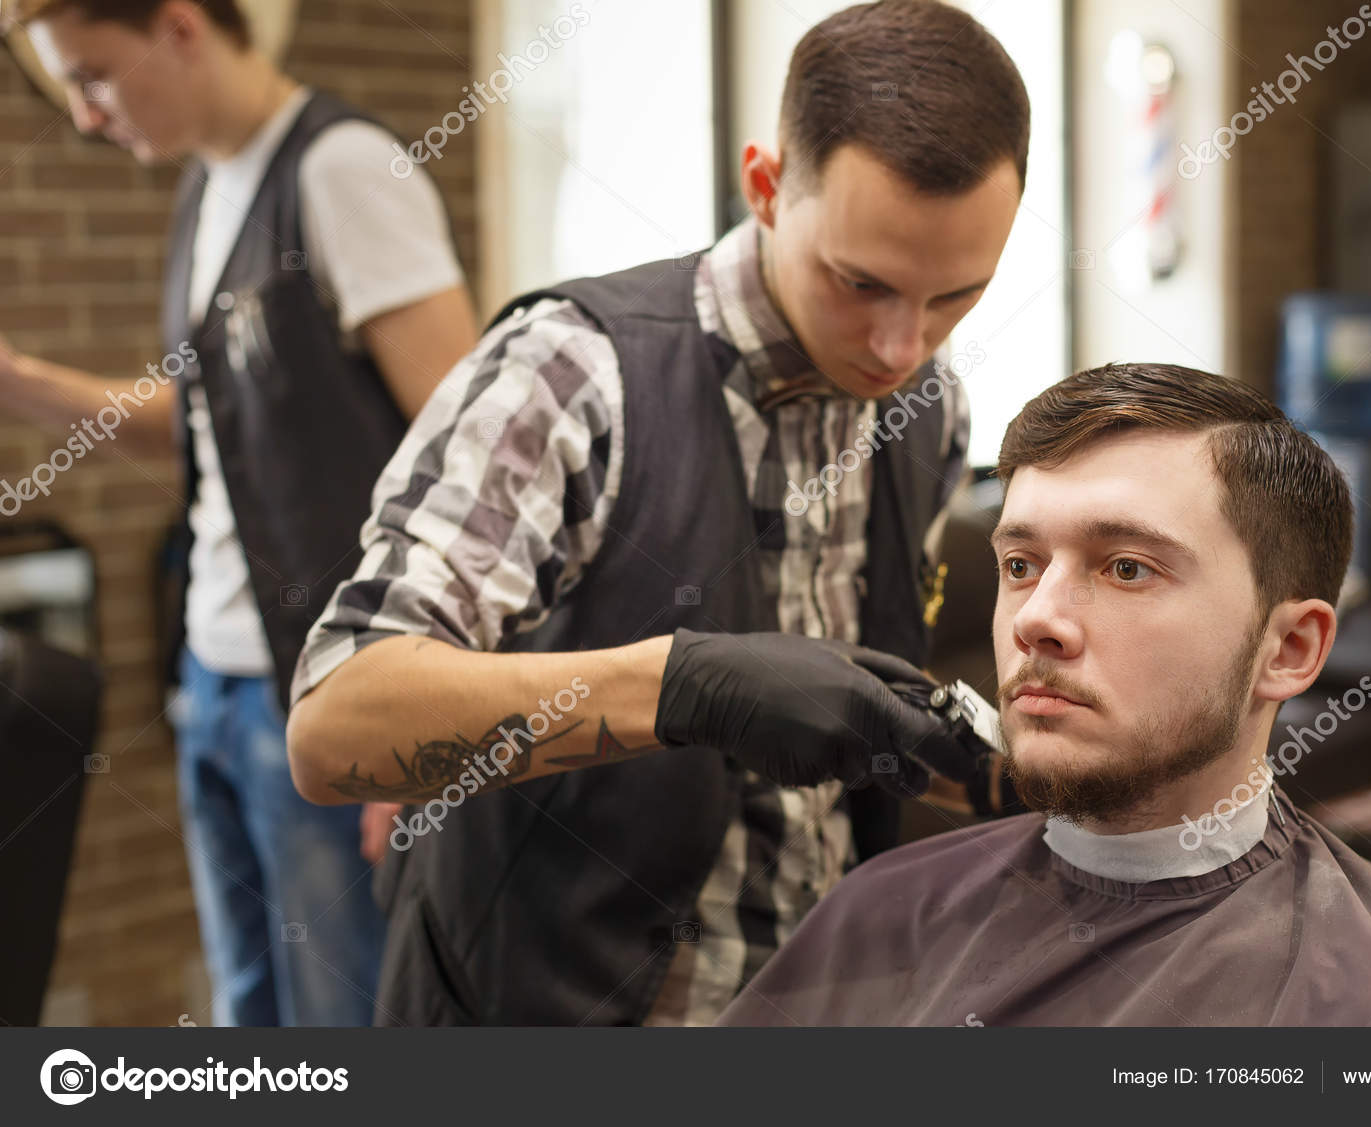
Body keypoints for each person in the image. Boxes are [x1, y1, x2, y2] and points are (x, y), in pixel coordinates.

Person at [284, 0, 1027, 1026]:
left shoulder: (926, 406)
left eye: (955, 296)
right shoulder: (575, 370)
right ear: (765, 186)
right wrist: (681, 685)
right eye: (862, 283)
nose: (903, 344)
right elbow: (334, 727)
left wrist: (1009, 777)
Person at [717, 363, 1371, 1026]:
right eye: (1020, 565)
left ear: (1288, 649)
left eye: (1127, 567)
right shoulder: (875, 923)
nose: (1039, 618)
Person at [3, 0, 478, 1025]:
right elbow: (211, 424)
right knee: (248, 1011)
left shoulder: (342, 170)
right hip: (213, 678)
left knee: (336, 1017)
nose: (84, 115)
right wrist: (20, 381)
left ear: (179, 27)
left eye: (91, 76)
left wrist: (417, 726)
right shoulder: (209, 186)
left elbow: (469, 465)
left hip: (321, 691)